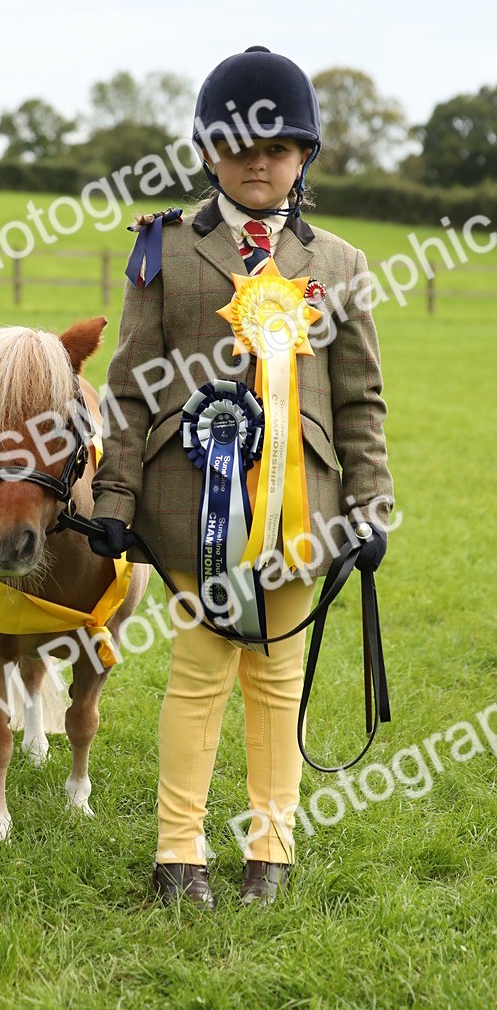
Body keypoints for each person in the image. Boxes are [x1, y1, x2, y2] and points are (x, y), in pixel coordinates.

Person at [89, 46, 395, 910]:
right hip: (194, 501)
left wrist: (371, 505)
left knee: (278, 677)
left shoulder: (338, 263)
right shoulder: (166, 247)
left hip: (306, 508)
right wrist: (114, 496)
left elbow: (360, 396)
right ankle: (177, 854)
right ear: (208, 152)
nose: (257, 162)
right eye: (238, 146)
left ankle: (272, 852)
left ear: (304, 158)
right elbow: (127, 383)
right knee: (198, 672)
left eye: (278, 147)